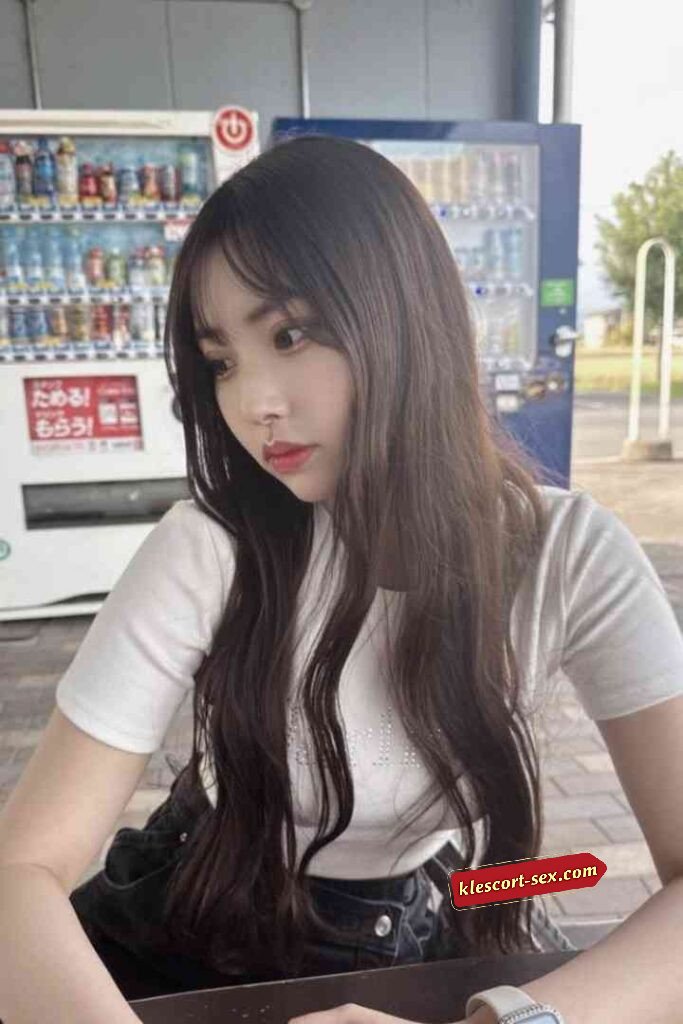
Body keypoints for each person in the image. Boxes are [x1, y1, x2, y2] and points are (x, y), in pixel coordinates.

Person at [1, 135, 682, 1024]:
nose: (252, 402)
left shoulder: (572, 557)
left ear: (404, 315)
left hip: (433, 918)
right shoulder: (212, 546)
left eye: (288, 334)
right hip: (200, 910)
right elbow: (21, 870)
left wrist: (511, 1019)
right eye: (221, 362)